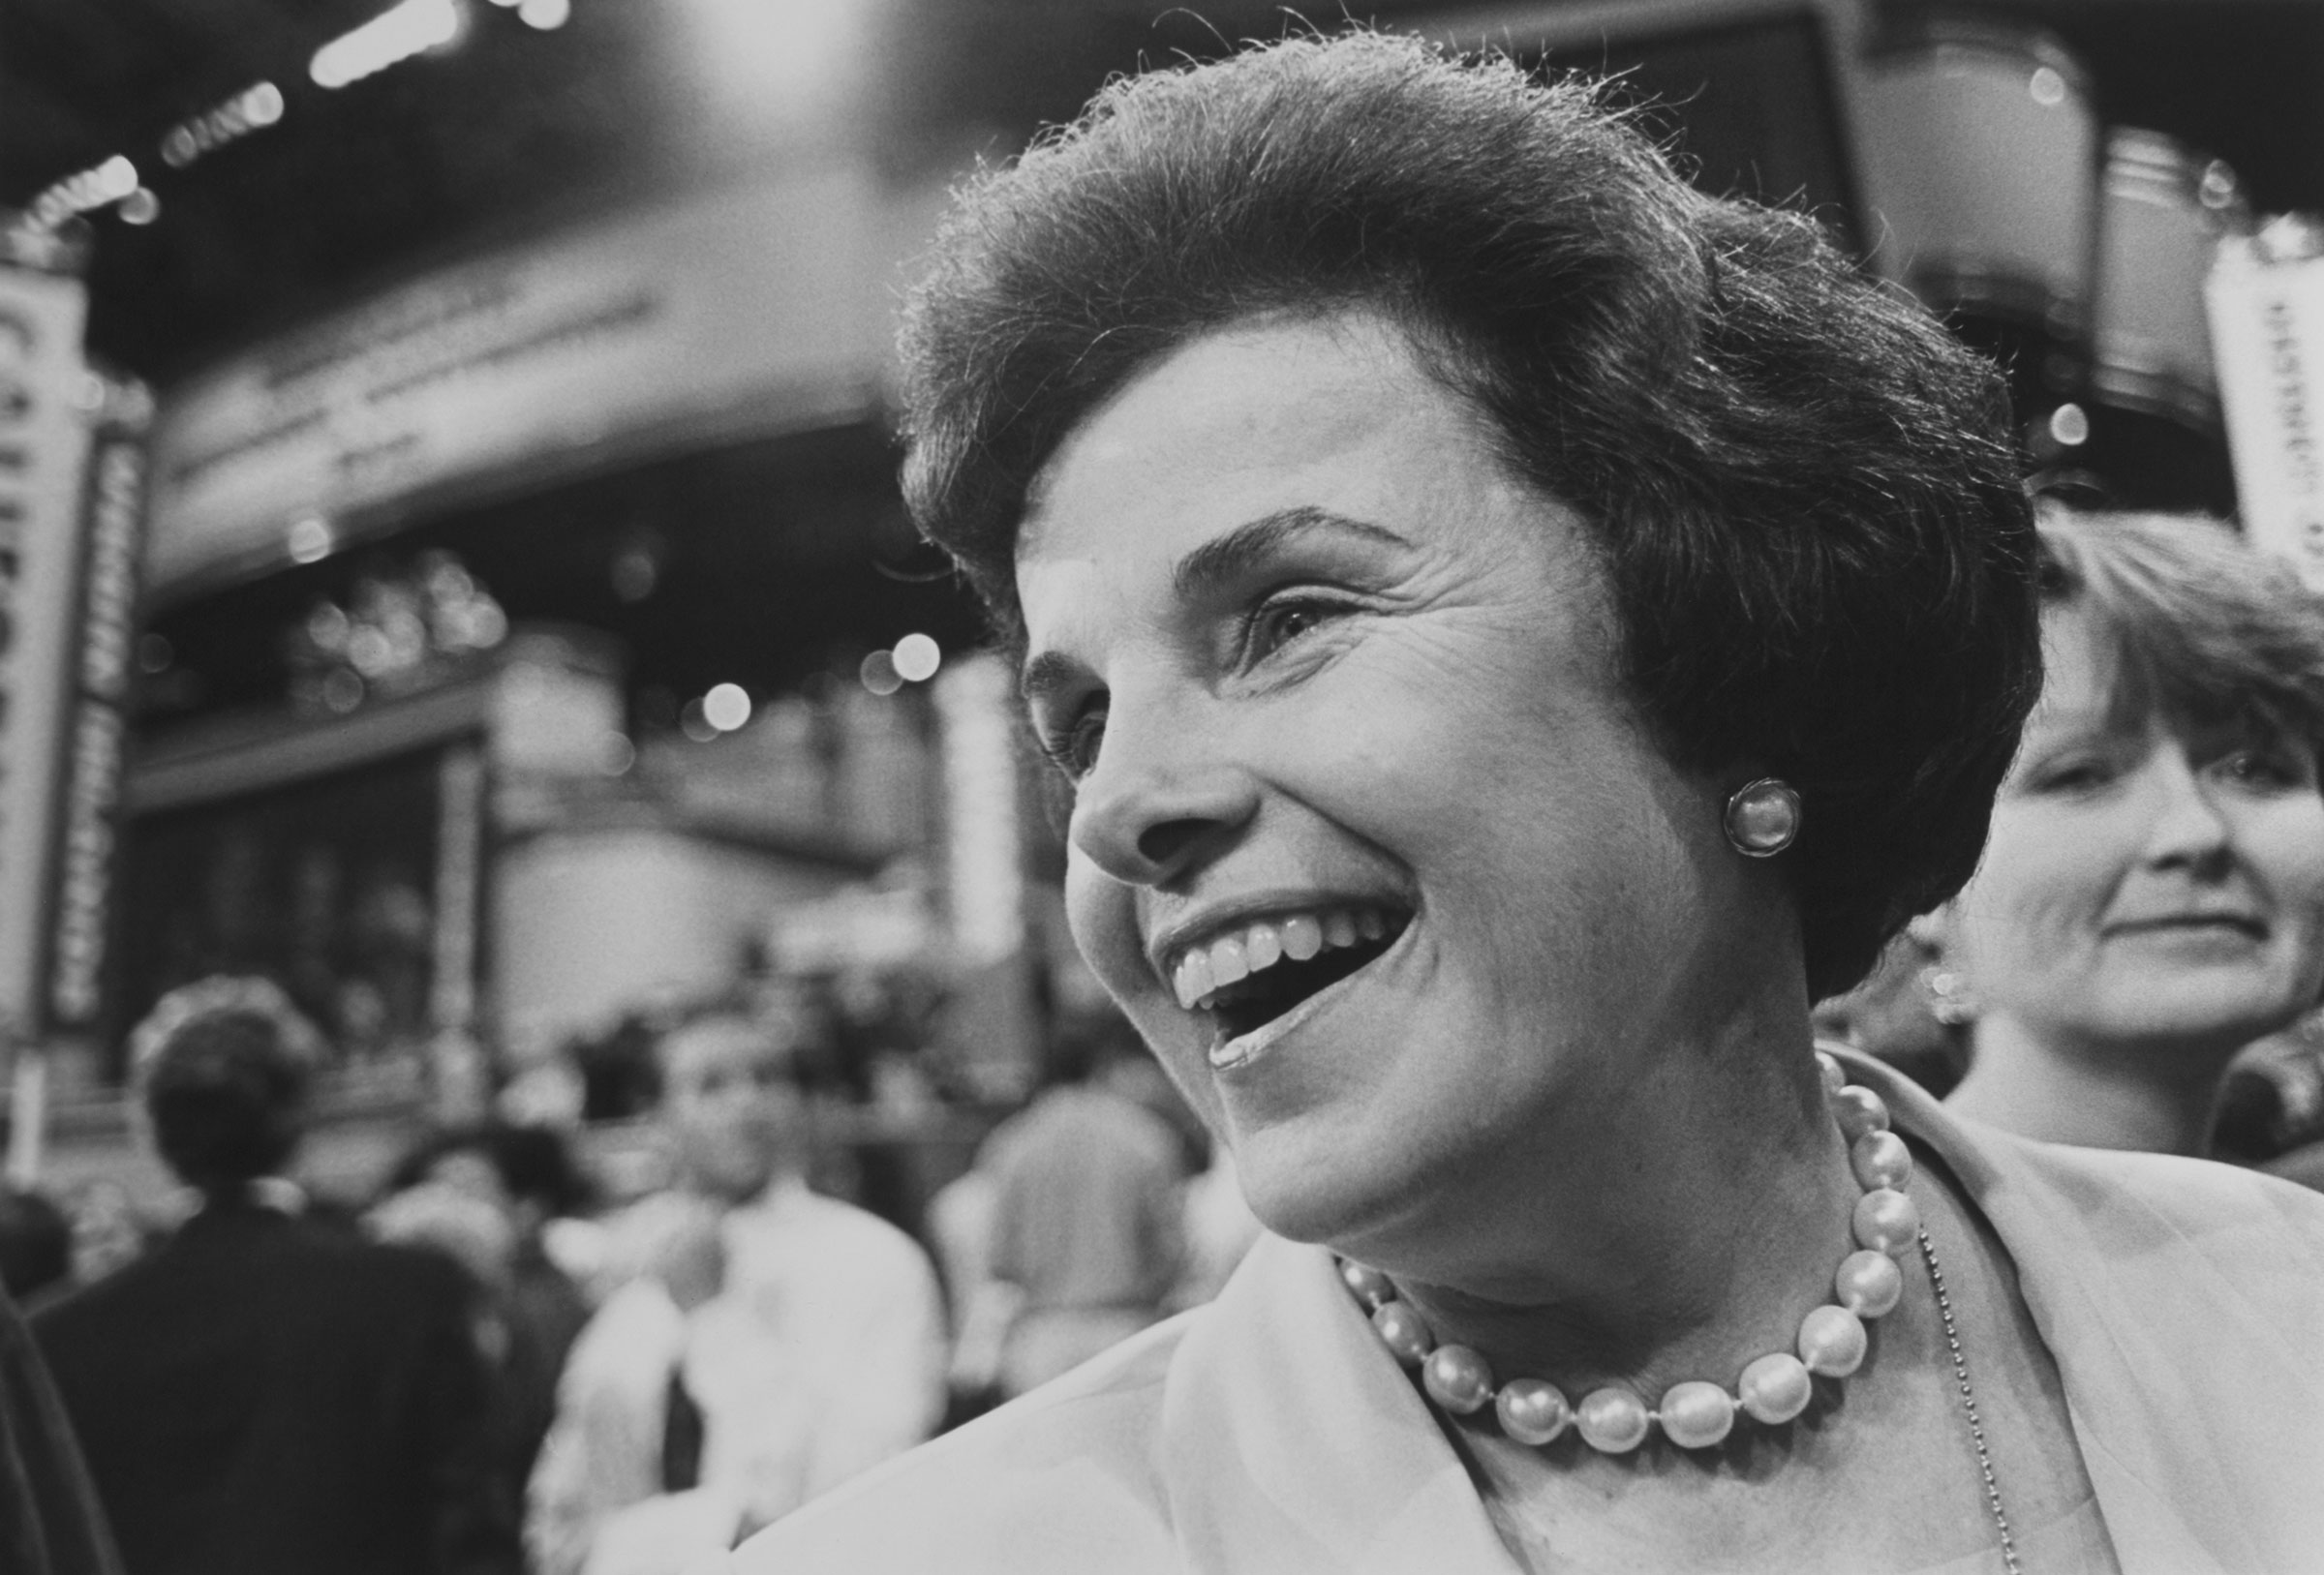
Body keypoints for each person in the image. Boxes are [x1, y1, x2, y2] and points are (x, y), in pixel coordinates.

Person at [709, 31, 2324, 1574]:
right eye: (1081, 715)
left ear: (1737, 654)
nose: (1120, 804)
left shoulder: (2282, 1307)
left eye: (1289, 618)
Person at [31, 978, 507, 1575]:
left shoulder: (60, 1337)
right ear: (301, 1119)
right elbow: (470, 1536)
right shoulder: (413, 1295)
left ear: (149, 1130)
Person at [1926, 508, 2324, 1155]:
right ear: (1920, 871)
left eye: (2254, 767)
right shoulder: (1845, 1244)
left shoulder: (2293, 1238)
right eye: (2078, 775)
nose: (2195, 831)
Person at [526, 1012, 945, 1575]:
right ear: (657, 1117)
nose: (747, 1104)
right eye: (712, 1084)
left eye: (768, 1079)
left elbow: (855, 1483)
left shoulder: (871, 1260)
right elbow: (568, 1510)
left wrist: (714, 1319)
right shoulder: (632, 1283)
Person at [979, 1019, 1186, 1397]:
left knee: (1049, 1454)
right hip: (1127, 1328)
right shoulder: (1144, 1136)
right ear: (1102, 1065)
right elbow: (1171, 1249)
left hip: (1041, 1336)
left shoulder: (1012, 1144)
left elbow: (1000, 1258)